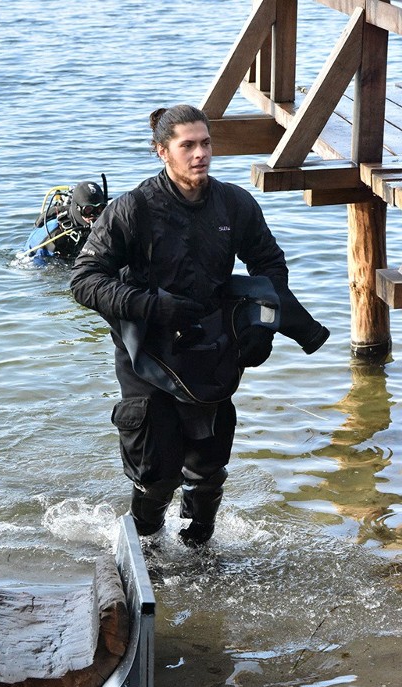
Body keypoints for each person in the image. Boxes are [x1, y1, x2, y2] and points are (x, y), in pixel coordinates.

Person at [70, 104, 329, 546]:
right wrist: (151, 305)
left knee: (208, 467)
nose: (199, 154)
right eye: (186, 145)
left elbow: (268, 263)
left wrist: (261, 325)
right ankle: (145, 550)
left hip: (210, 346)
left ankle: (199, 549)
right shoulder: (132, 210)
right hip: (146, 352)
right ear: (162, 152)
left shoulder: (234, 203)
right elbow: (85, 281)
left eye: (205, 143)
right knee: (156, 471)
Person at [25, 179, 108, 261]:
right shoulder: (54, 234)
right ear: (77, 208)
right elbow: (33, 264)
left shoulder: (105, 224)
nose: (95, 215)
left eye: (100, 209)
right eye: (88, 209)